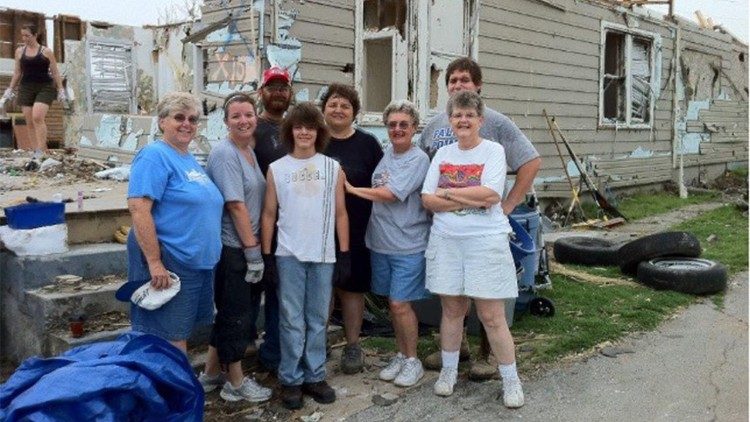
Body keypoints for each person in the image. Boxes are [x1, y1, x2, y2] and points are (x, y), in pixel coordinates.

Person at [419, 57, 541, 381]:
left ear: (478, 86)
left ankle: (487, 357)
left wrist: (508, 204)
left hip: (483, 227)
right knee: (453, 302)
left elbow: (530, 162)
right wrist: (439, 201)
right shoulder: (434, 125)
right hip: (446, 229)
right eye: (453, 81)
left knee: (488, 303)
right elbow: (426, 178)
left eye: (464, 80)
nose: (458, 85)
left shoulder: (497, 124)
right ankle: (457, 352)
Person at [261, 102, 350, 410]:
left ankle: (315, 375)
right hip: (288, 254)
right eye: (298, 127)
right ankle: (291, 379)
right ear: (290, 131)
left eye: (310, 127)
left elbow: (340, 213)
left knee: (317, 318)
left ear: (318, 132)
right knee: (290, 320)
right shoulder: (277, 168)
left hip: (323, 254)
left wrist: (345, 252)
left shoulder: (331, 167)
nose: (304, 132)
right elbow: (269, 213)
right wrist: (268, 255)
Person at [123, 92, 223, 353]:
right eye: (179, 117)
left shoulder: (187, 158)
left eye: (192, 119)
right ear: (162, 122)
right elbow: (139, 208)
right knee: (168, 338)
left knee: (179, 334)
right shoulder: (154, 155)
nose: (186, 124)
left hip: (195, 263)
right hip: (170, 263)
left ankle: (176, 389)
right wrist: (155, 263)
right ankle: (170, 392)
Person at [344, 100, 430, 387]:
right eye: (392, 124)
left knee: (399, 304)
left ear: (414, 128)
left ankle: (413, 360)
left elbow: (392, 194)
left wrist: (352, 189)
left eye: (404, 124)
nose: (397, 129)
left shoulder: (418, 160)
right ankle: (401, 354)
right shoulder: (386, 156)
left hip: (408, 244)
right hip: (380, 242)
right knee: (393, 305)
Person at [199, 93, 272, 403]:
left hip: (245, 247)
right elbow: (236, 205)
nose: (244, 121)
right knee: (238, 317)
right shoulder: (225, 153)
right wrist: (252, 251)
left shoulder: (248, 151)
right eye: (236, 116)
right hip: (235, 249)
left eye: (248, 114)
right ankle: (236, 383)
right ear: (225, 121)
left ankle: (210, 375)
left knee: (231, 314)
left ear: (256, 117)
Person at [321, 83, 383, 374]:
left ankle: (352, 345)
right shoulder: (312, 140)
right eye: (333, 104)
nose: (338, 110)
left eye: (345, 106)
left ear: (354, 113)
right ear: (324, 109)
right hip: (317, 230)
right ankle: (317, 343)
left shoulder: (368, 144)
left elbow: (382, 185)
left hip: (357, 229)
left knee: (352, 289)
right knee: (321, 288)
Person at [252, 66, 294, 373]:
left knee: (281, 296)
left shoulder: (296, 128)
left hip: (290, 227)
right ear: (261, 92)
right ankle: (241, 354)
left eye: (283, 87)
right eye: (272, 86)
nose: (278, 92)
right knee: (252, 294)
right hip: (255, 225)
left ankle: (274, 355)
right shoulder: (252, 128)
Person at [4, 24, 65, 155]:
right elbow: (17, 73)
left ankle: (42, 150)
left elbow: (55, 72)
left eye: (27, 35)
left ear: (35, 35)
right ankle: (36, 150)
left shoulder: (46, 51)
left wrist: (61, 90)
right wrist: (9, 89)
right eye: (23, 35)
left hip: (45, 87)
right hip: (26, 88)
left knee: (37, 117)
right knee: (29, 121)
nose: (24, 38)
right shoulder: (19, 51)